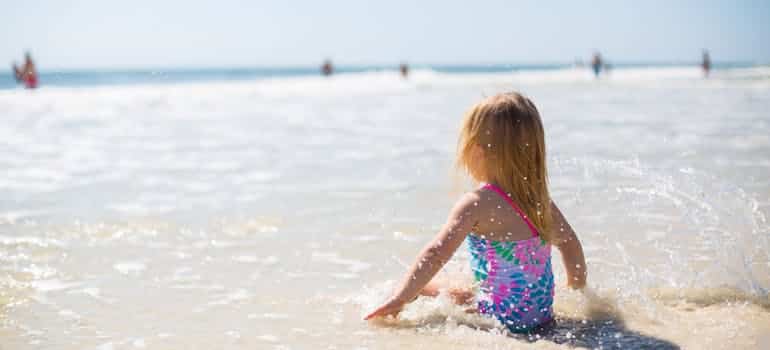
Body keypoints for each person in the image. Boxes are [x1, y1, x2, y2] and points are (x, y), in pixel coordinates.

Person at [364, 92, 587, 333]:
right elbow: (570, 244)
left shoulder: (477, 204)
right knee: (464, 288)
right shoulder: (540, 202)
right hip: (540, 318)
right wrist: (578, 293)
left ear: (477, 151)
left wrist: (401, 298)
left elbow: (436, 254)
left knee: (414, 288)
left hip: (499, 320)